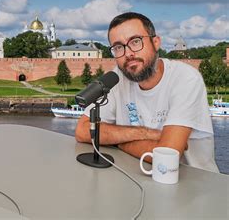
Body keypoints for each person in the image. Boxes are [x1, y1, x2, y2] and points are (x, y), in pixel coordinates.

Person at [75, 12, 219, 173]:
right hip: (138, 178)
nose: (128, 53)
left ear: (156, 42)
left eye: (135, 42)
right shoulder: (117, 78)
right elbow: (82, 131)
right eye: (118, 47)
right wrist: (146, 133)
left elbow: (167, 155)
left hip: (196, 185)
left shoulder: (185, 79)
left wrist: (116, 141)